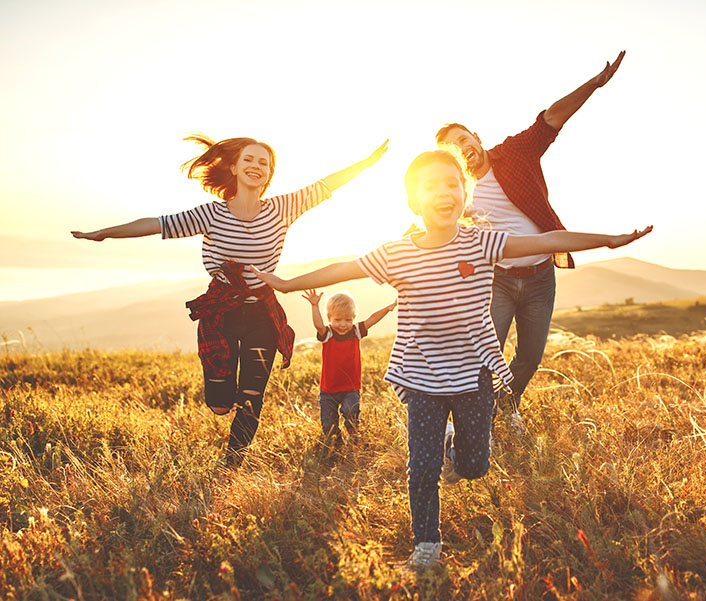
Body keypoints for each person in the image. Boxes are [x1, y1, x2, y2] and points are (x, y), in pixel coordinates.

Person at [250, 149, 652, 569]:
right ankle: (426, 547)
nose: (443, 191)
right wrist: (286, 282)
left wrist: (608, 239)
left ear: (465, 193)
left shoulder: (482, 242)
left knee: (475, 466)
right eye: (431, 185)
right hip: (422, 375)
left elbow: (547, 241)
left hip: (475, 373)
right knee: (421, 468)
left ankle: (453, 449)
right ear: (413, 201)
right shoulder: (397, 253)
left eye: (452, 183)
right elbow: (342, 270)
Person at [71, 134, 388, 466]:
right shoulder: (211, 214)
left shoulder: (283, 209)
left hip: (262, 314)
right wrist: (104, 232)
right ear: (235, 167)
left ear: (269, 174)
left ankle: (231, 463)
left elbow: (326, 185)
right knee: (220, 403)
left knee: (253, 395)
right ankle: (223, 397)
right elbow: (155, 224)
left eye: (263, 163)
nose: (256, 166)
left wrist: (366, 164)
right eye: (248, 160)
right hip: (222, 312)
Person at [435, 51, 626, 431]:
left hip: (540, 278)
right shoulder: (460, 193)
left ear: (475, 135)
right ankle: (477, 422)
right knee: (485, 355)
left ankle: (505, 407)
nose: (461, 148)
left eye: (462, 139)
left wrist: (593, 84)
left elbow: (550, 120)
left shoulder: (515, 152)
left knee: (530, 357)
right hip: (498, 281)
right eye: (452, 150)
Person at [302, 289, 396, 442]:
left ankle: (353, 435)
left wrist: (388, 308)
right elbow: (318, 325)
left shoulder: (356, 331)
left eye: (347, 320)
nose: (343, 325)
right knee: (328, 425)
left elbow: (372, 319)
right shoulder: (328, 334)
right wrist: (314, 306)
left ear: (353, 318)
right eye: (337, 320)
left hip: (351, 387)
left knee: (351, 411)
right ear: (330, 318)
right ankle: (335, 446)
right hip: (328, 389)